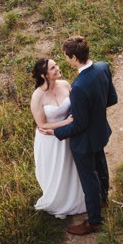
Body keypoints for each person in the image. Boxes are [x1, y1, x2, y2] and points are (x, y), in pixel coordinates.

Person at [40, 35, 117, 235]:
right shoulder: (103, 67)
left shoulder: (79, 87)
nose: (65, 60)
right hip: (100, 131)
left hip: (84, 141)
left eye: (66, 56)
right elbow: (112, 98)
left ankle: (94, 221)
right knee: (101, 166)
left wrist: (55, 132)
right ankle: (103, 200)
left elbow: (79, 125)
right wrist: (95, 113)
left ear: (74, 57)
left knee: (89, 179)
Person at [29, 56, 86, 218]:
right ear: (44, 75)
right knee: (56, 171)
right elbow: (42, 124)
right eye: (53, 68)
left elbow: (75, 106)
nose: (58, 68)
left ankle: (78, 198)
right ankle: (59, 201)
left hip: (69, 135)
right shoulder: (38, 96)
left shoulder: (65, 84)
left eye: (56, 65)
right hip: (50, 139)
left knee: (72, 167)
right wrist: (65, 123)